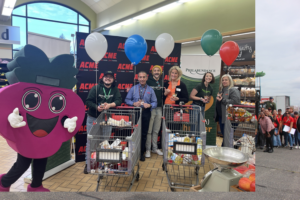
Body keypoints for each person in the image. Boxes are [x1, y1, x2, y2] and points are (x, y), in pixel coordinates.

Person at [84, 71, 122, 173]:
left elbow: (119, 100)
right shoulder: (96, 88)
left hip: (107, 119)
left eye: (110, 77)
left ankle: (102, 164)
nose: (108, 78)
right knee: (91, 141)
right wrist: (97, 107)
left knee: (104, 142)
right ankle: (88, 163)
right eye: (106, 76)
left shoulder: (115, 89)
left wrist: (110, 105)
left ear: (113, 79)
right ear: (103, 78)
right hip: (93, 117)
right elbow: (88, 101)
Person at [125, 71, 157, 161]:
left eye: (144, 77)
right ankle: (133, 152)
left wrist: (150, 105)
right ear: (137, 78)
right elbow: (127, 100)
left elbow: (155, 102)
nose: (142, 79)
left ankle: (141, 153)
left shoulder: (150, 90)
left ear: (147, 78)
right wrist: (133, 103)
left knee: (143, 134)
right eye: (140, 77)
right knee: (135, 133)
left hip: (146, 112)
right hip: (135, 112)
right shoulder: (133, 89)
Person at [214, 74, 240, 147]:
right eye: (223, 80)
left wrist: (223, 100)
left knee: (227, 135)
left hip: (229, 118)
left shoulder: (233, 90)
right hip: (222, 117)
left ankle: (224, 151)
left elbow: (236, 101)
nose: (224, 81)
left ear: (230, 81)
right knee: (225, 135)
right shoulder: (221, 91)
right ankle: (225, 151)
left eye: (226, 80)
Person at [163, 66, 189, 134]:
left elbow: (186, 99)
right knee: (167, 127)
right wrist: (164, 94)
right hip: (166, 108)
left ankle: (174, 143)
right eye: (172, 73)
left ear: (178, 75)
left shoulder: (182, 85)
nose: (173, 75)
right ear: (170, 73)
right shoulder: (166, 83)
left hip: (176, 109)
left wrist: (178, 99)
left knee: (176, 128)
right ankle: (167, 143)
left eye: (176, 73)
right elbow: (161, 97)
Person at [145, 65, 164, 158]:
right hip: (151, 108)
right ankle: (148, 149)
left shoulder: (162, 82)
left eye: (158, 70)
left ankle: (155, 148)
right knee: (149, 131)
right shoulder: (148, 81)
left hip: (159, 108)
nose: (156, 72)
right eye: (155, 70)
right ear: (152, 72)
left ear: (160, 72)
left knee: (156, 130)